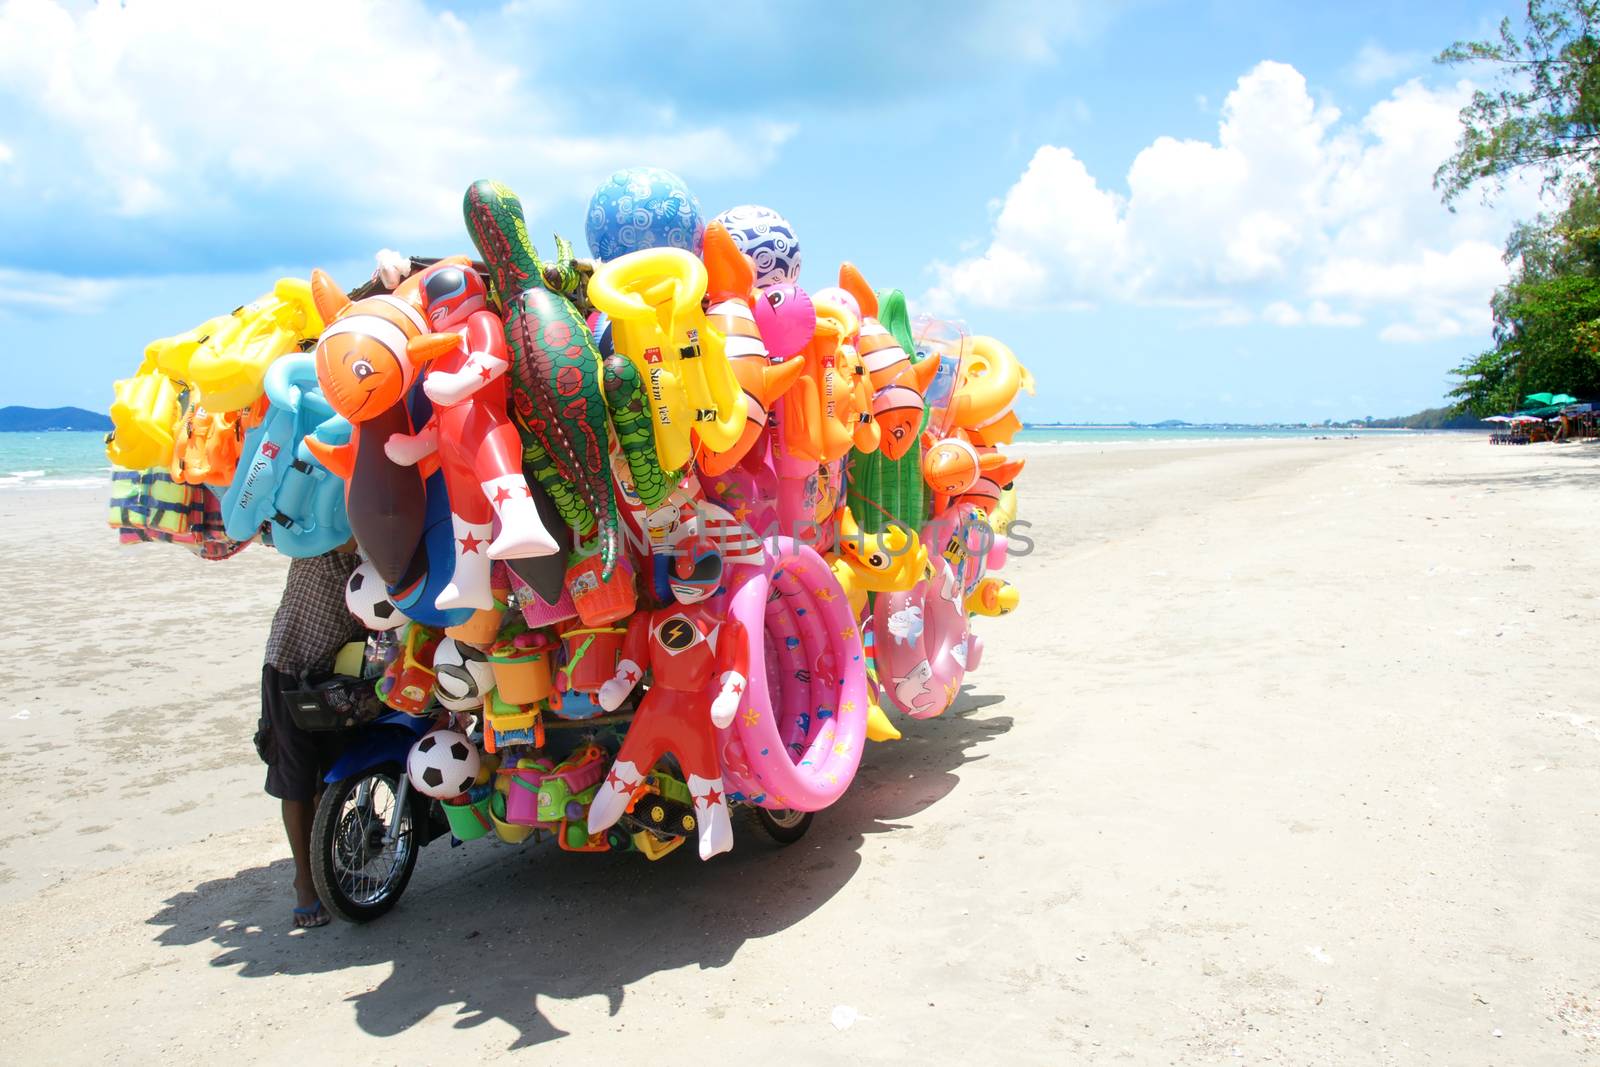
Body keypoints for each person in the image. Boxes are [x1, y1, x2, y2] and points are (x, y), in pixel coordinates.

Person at [257, 546, 365, 929]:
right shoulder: (316, 540)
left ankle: (326, 872)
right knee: (297, 781)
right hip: (290, 667)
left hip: (336, 671)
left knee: (329, 775)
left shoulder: (369, 554)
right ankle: (305, 885)